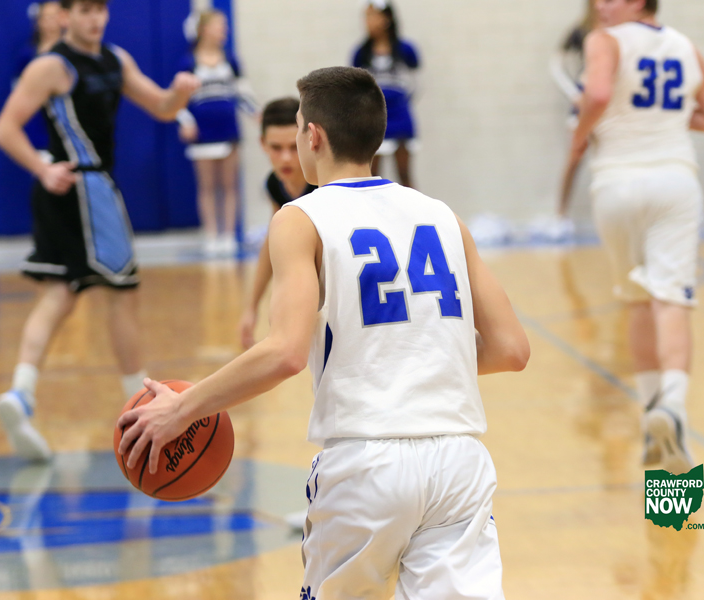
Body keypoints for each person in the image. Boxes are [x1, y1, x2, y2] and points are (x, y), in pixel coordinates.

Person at [117, 66, 530, 598]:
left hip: (367, 462)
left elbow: (285, 353)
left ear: (313, 135)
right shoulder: (444, 217)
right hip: (459, 462)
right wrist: (411, 354)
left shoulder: (300, 217)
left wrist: (182, 408)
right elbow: (512, 349)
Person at [0, 0, 199, 461]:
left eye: (101, 8)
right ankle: (140, 402)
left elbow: (162, 107)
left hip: (82, 189)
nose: (96, 18)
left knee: (59, 295)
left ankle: (21, 394)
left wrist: (180, 92)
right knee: (122, 293)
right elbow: (5, 128)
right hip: (84, 189)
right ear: (64, 15)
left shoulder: (116, 59)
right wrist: (42, 169)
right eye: (85, 9)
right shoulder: (51, 66)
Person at [567, 0, 704, 474]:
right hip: (675, 181)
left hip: (616, 183)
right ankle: (672, 406)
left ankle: (651, 415)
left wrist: (580, 134)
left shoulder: (604, 40)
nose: (601, 5)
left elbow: (599, 93)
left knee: (636, 299)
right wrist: (671, 118)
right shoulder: (686, 46)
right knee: (671, 298)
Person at [177, 10, 257, 258]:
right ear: (204, 29)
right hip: (202, 132)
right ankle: (211, 235)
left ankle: (229, 235)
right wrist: (185, 122)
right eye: (219, 26)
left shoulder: (230, 59)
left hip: (228, 129)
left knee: (230, 184)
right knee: (207, 186)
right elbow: (178, 100)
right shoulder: (188, 62)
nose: (224, 30)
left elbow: (243, 91)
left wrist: (257, 113)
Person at [239, 98, 316, 350]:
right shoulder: (274, 184)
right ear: (262, 143)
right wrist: (252, 307)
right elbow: (272, 242)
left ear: (309, 141)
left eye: (293, 147)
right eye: (276, 147)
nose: (285, 158)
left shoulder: (324, 183)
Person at [352, 0, 420, 188]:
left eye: (372, 16)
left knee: (404, 173)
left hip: (400, 115)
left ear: (386, 18)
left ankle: (412, 207)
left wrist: (404, 99)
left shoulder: (405, 50)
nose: (368, 22)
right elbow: (356, 87)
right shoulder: (361, 53)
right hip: (374, 117)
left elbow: (417, 81)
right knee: (372, 174)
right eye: (366, 17)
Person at [551, 0, 599, 241]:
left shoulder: (621, 30)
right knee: (575, 156)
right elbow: (556, 64)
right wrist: (573, 93)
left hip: (613, 101)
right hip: (586, 98)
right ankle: (560, 215)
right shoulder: (581, 30)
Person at [17, 1, 64, 157]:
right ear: (38, 21)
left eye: (55, 16)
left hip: (68, 130)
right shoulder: (28, 55)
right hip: (39, 130)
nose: (51, 22)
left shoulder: (73, 54)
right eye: (47, 17)